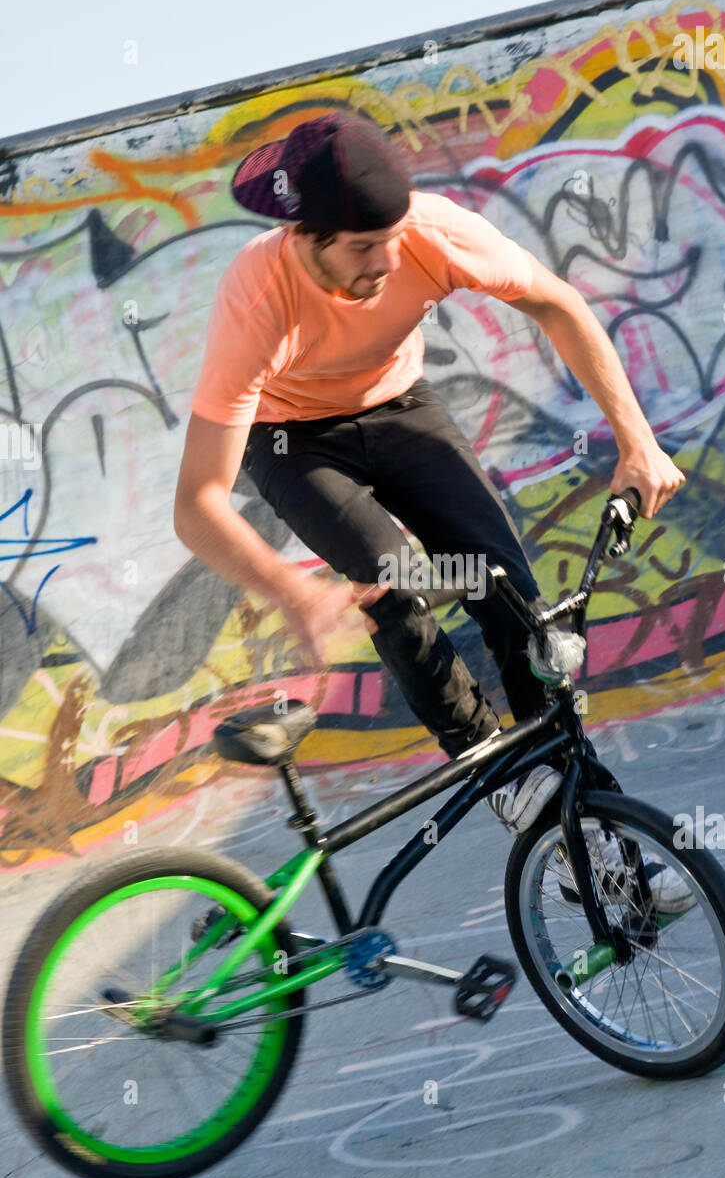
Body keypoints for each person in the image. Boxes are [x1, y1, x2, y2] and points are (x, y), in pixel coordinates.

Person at [174, 112, 685, 847]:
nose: (383, 263)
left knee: (512, 596)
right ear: (303, 237)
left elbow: (557, 304)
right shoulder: (256, 299)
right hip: (291, 440)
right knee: (398, 584)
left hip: (401, 407)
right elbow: (196, 505)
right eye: (359, 248)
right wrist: (294, 594)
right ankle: (500, 777)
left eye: (389, 239)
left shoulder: (431, 230)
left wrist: (635, 440)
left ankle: (597, 841)